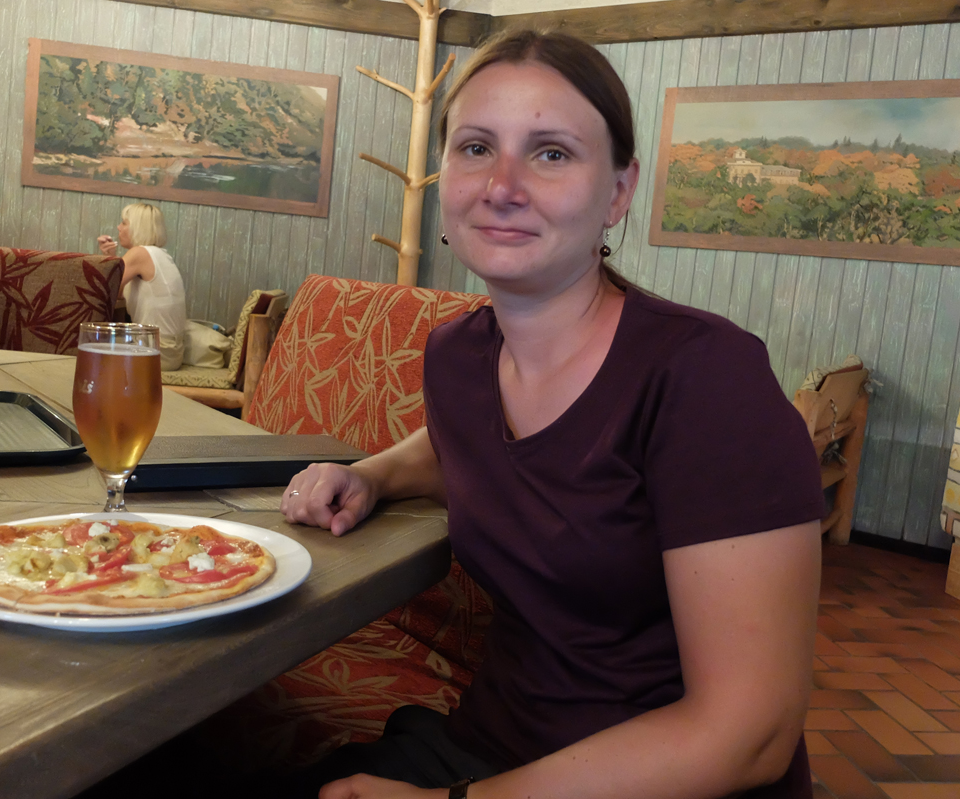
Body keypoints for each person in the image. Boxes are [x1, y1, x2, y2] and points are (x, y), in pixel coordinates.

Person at [279, 29, 824, 799]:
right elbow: (469, 446)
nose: (502, 185)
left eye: (551, 153)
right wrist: (371, 475)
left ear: (619, 192)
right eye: (476, 147)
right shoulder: (457, 355)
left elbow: (752, 733)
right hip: (488, 746)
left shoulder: (706, 379)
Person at [97, 202, 186, 371]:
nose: (119, 227)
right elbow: (118, 294)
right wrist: (111, 259)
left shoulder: (140, 253)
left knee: (89, 345)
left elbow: (105, 292)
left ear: (137, 228)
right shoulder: (158, 254)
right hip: (169, 351)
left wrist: (109, 262)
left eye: (124, 223)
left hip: (156, 352)